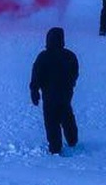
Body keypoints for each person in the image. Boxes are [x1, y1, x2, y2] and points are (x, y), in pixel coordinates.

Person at [29, 27, 80, 155]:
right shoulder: (69, 55)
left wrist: (34, 91)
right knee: (67, 115)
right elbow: (75, 72)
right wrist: (71, 84)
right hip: (66, 94)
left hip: (49, 95)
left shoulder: (43, 57)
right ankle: (72, 139)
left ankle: (55, 146)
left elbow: (36, 75)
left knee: (51, 121)